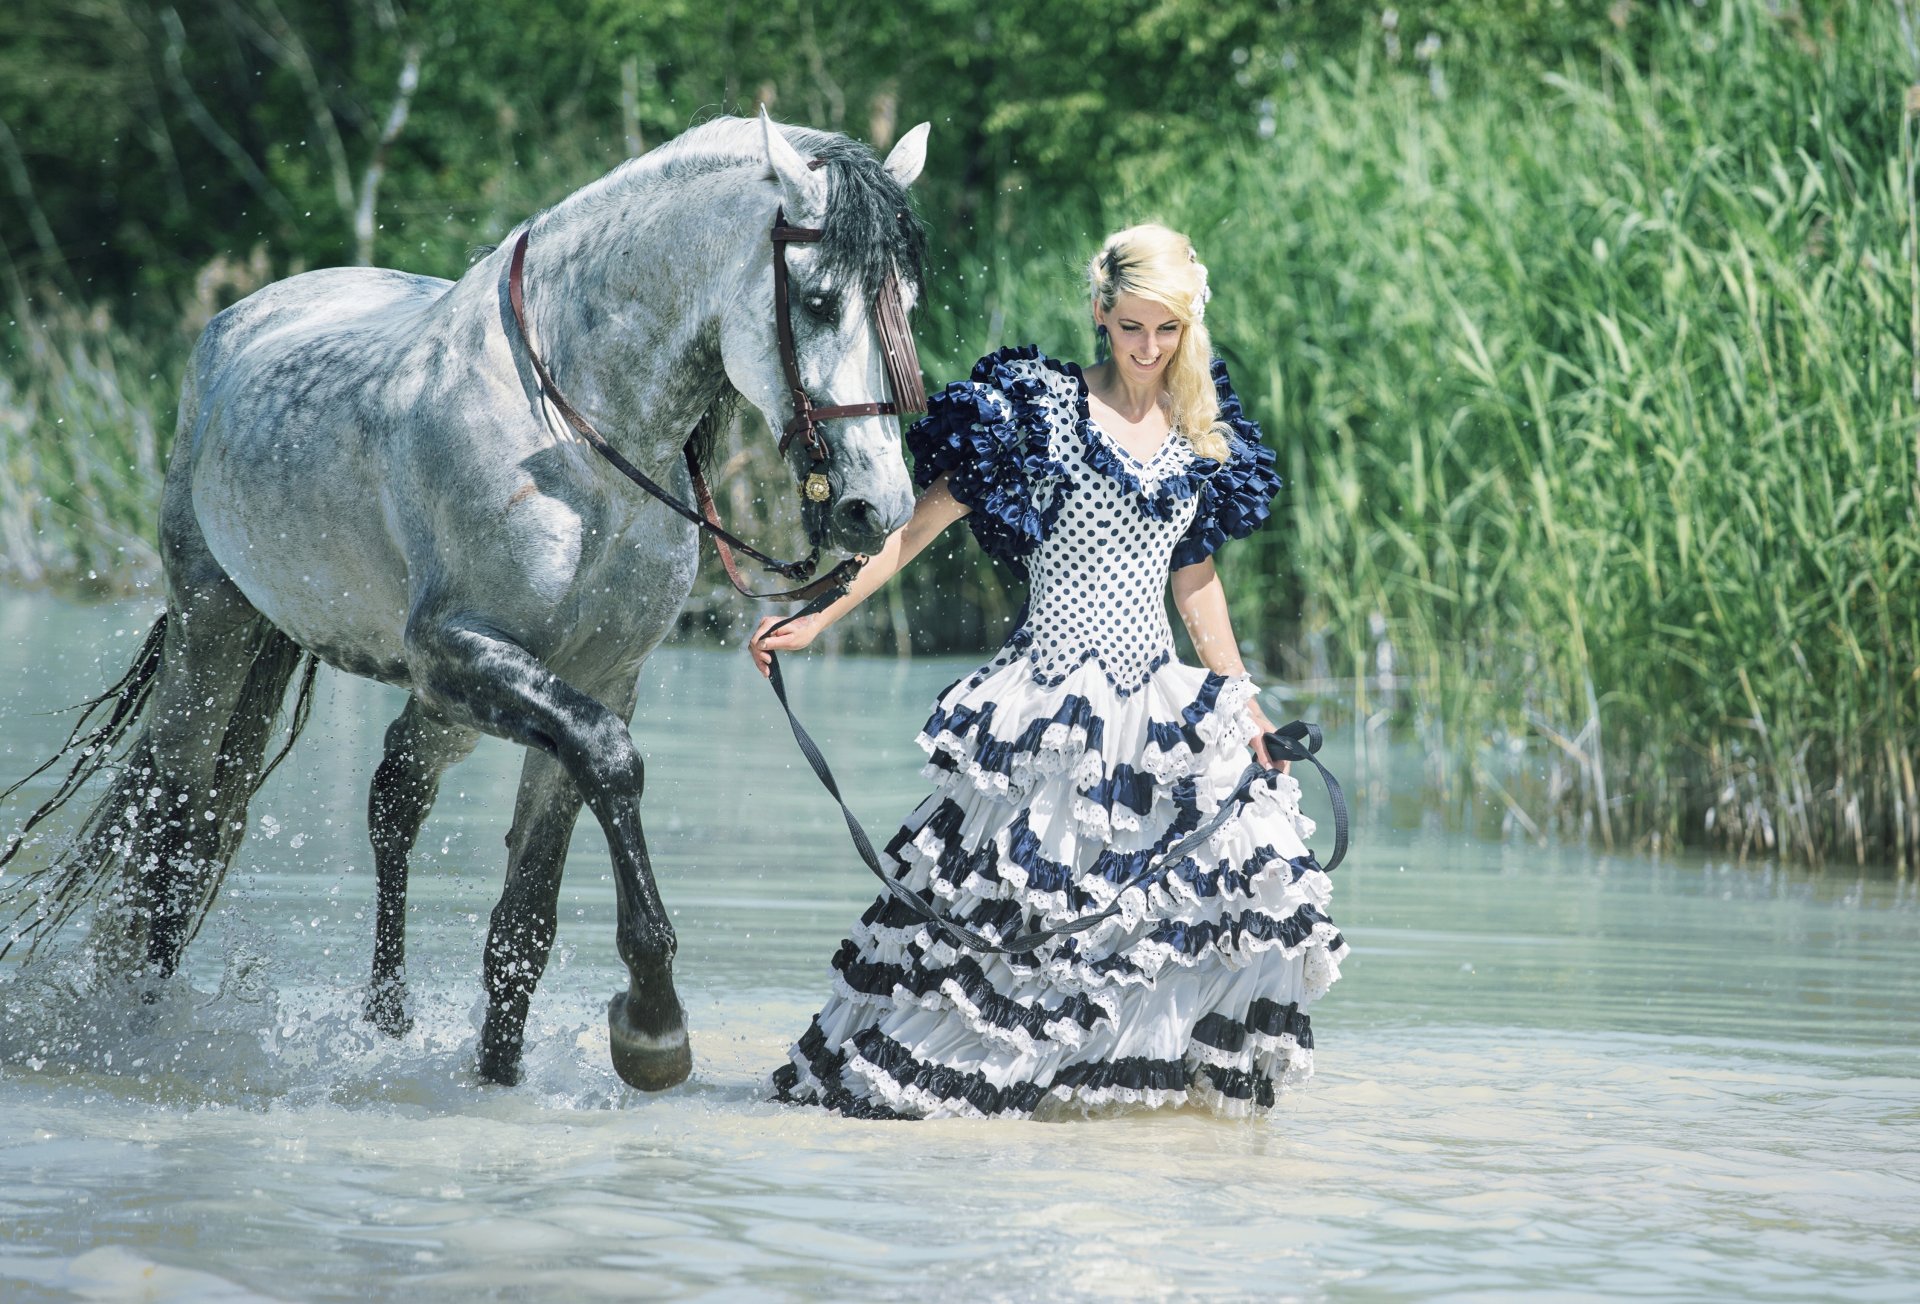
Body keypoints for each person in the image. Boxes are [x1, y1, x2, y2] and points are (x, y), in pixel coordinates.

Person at [751, 223, 1346, 1119]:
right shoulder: (1035, 409)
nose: (1148, 350)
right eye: (1132, 327)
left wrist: (1251, 710)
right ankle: (980, 1104)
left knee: (1222, 909)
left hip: (1161, 709)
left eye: (1168, 331)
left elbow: (1197, 585)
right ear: (1101, 315)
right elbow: (914, 529)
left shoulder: (1199, 427)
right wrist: (816, 615)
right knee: (1012, 937)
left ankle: (1127, 1117)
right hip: (1049, 712)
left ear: (1190, 327)